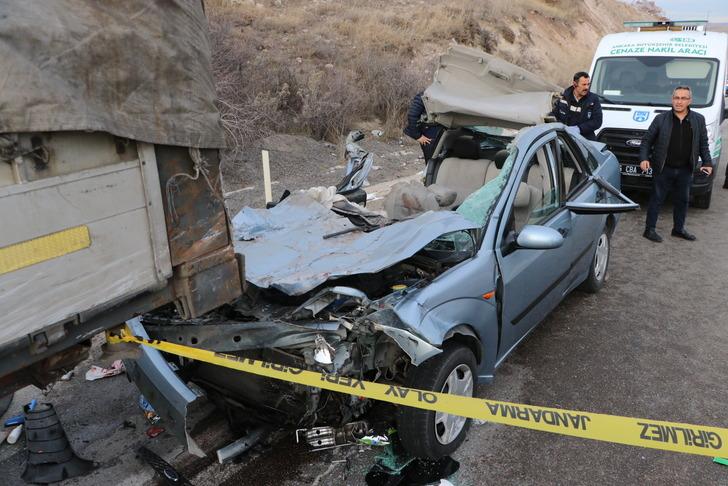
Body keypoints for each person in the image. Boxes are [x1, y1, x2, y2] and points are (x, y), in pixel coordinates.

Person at [639, 86, 713, 243]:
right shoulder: (661, 119)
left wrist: (707, 162)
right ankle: (649, 229)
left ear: (689, 101)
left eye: (683, 98)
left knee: (683, 200)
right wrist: (644, 158)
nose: (679, 101)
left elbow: (703, 144)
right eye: (676, 98)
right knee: (657, 199)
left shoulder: (698, 120)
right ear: (672, 99)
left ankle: (678, 229)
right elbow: (646, 141)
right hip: (663, 167)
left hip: (686, 169)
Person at [553, 71, 603, 141]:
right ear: (574, 84)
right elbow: (554, 115)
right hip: (565, 141)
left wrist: (579, 129)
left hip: (586, 141)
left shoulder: (593, 99)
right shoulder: (563, 98)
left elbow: (597, 121)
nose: (587, 87)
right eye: (584, 84)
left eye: (588, 84)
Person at [404, 92, 443, 162]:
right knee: (431, 162)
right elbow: (412, 115)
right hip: (430, 134)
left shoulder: (449, 95)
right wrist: (417, 136)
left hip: (446, 134)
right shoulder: (425, 95)